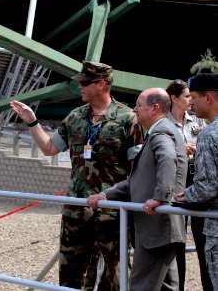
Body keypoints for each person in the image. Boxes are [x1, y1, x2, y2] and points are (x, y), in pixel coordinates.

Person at [10, 60, 143, 290]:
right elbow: (49, 148)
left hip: (112, 214)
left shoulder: (127, 118)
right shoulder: (75, 117)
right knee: (70, 275)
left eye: (85, 83)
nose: (80, 87)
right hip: (76, 211)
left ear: (101, 84)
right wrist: (32, 121)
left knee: (116, 275)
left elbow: (138, 167)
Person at [87, 87, 188, 291]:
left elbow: (167, 159)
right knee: (167, 287)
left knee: (141, 285)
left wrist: (160, 198)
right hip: (159, 227)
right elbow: (138, 180)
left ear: (155, 108)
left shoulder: (161, 132)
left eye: (139, 105)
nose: (134, 109)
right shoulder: (161, 131)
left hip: (157, 227)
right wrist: (106, 194)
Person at [165, 79, 211, 291]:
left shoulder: (199, 122)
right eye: (187, 96)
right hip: (177, 183)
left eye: (193, 96)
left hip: (198, 182)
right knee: (177, 240)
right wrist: (180, 149)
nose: (191, 100)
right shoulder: (163, 123)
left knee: (203, 238)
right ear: (174, 98)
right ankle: (178, 286)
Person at [176, 73, 218, 291]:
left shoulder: (209, 135)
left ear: (208, 98)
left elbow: (208, 186)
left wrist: (183, 196)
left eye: (193, 97)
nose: (190, 102)